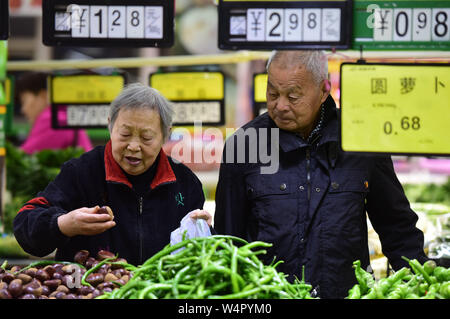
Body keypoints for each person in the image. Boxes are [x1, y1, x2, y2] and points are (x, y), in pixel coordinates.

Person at [213, 50, 428, 299]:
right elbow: (229, 242)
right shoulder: (244, 145)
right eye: (272, 93)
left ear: (324, 90)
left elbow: (397, 228)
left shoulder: (360, 139)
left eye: (293, 96)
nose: (280, 105)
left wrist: (422, 282)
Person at [13, 83, 211, 265]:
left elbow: (198, 254)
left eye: (146, 137)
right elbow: (25, 222)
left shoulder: (185, 183)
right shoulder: (81, 172)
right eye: (124, 134)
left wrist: (206, 231)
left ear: (166, 134)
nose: (133, 146)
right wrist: (64, 224)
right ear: (110, 125)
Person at [15, 71, 93, 154]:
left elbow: (23, 155)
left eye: (24, 101)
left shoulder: (52, 119)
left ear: (43, 95)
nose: (23, 110)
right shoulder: (64, 115)